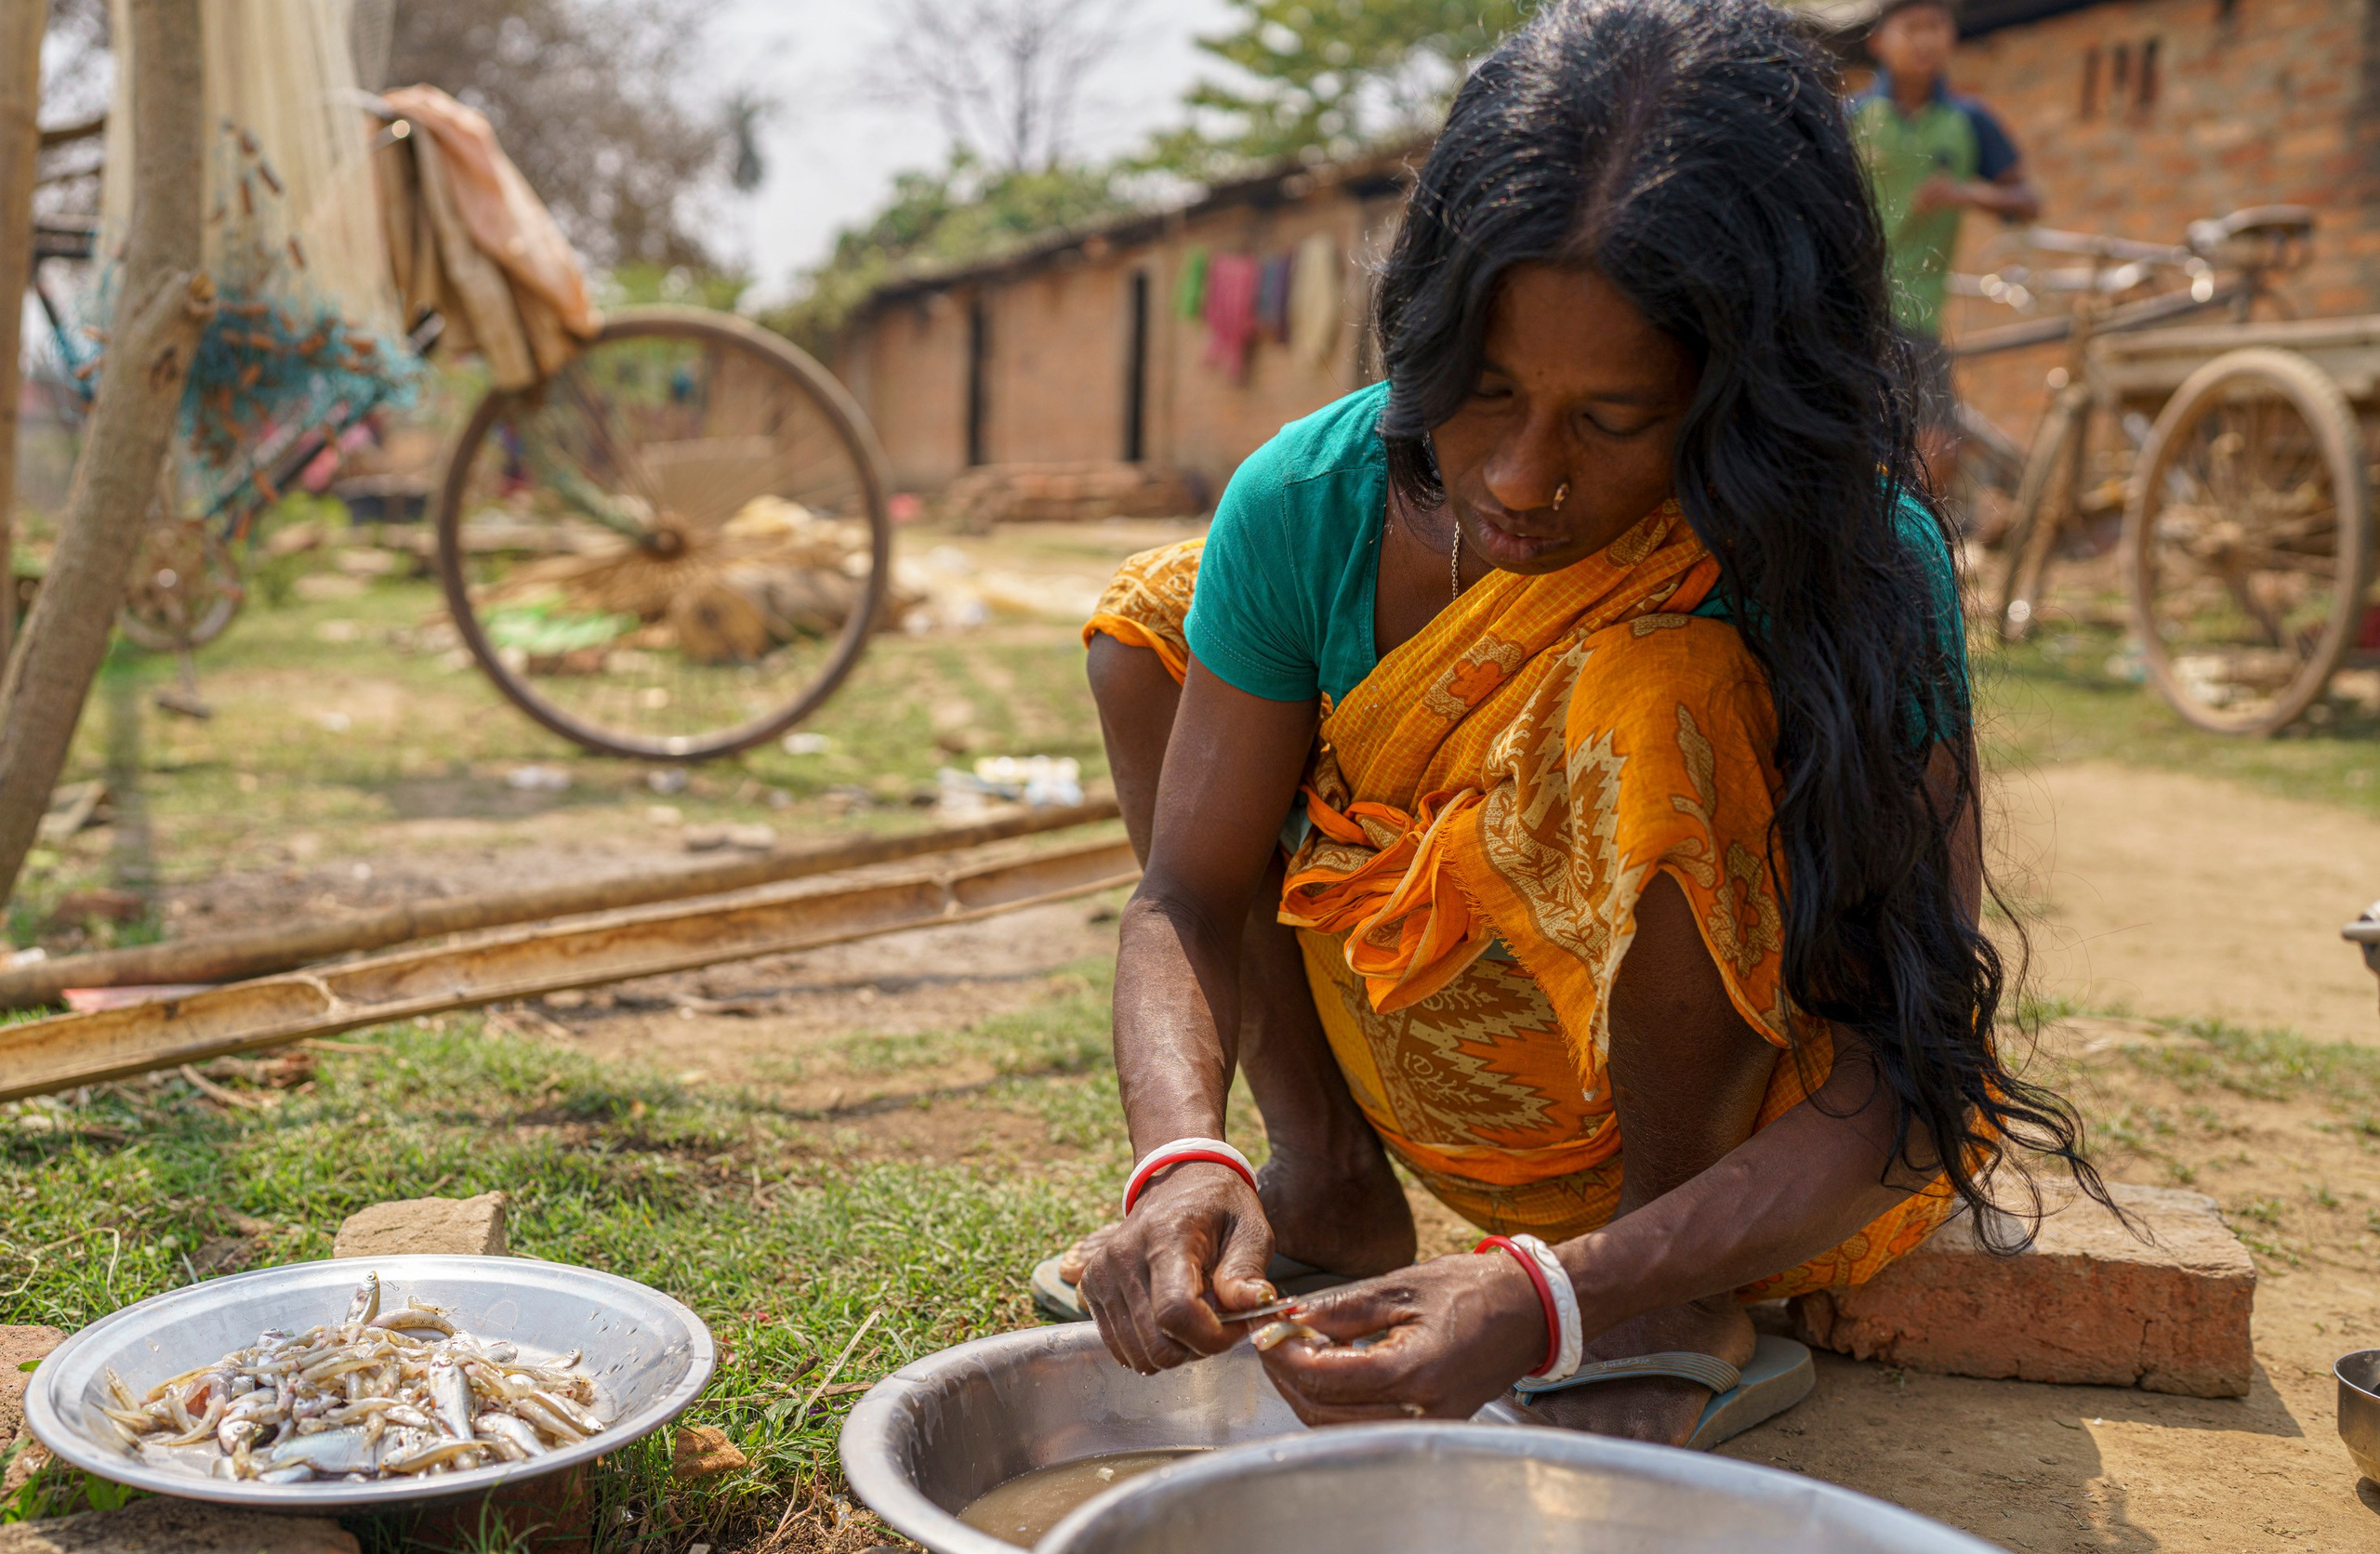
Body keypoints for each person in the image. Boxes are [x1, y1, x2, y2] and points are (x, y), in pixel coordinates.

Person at [1049, 0, 2102, 1448]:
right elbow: (1186, 891)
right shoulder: (1314, 497)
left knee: (1657, 692)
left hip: (1745, 1172)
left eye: (1612, 421)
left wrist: (1556, 1296)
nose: (1520, 480)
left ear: (1743, 393)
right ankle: (1328, 1177)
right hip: (1442, 1085)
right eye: (1483, 393)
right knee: (1164, 623)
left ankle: (1670, 1300)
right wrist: (1179, 1158)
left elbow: (1905, 1073)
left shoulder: (1848, 563)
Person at [1850, 0, 2041, 494]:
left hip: (1917, 313)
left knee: (1936, 453)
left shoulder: (1968, 121)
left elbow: (2026, 201)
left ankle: (1909, 537)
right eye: (1912, 27)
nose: (1925, 39)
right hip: (1849, 308)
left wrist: (1964, 192)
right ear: (1878, 41)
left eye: (1936, 26)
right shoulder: (1851, 119)